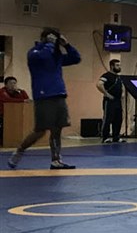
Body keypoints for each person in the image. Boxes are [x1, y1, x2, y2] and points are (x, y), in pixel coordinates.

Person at [8, 28, 82, 170]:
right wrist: (48, 44)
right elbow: (43, 57)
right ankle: (19, 150)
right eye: (51, 39)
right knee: (40, 130)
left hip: (59, 94)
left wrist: (66, 45)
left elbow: (76, 58)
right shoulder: (35, 52)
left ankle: (56, 159)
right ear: (44, 38)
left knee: (57, 129)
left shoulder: (56, 57)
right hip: (44, 95)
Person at [97, 57, 124, 143]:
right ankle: (105, 137)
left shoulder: (118, 77)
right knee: (108, 119)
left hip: (118, 101)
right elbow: (99, 84)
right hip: (109, 101)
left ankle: (116, 137)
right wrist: (107, 94)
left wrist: (122, 94)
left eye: (119, 65)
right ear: (112, 66)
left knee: (118, 119)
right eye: (117, 65)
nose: (119, 67)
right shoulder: (106, 75)